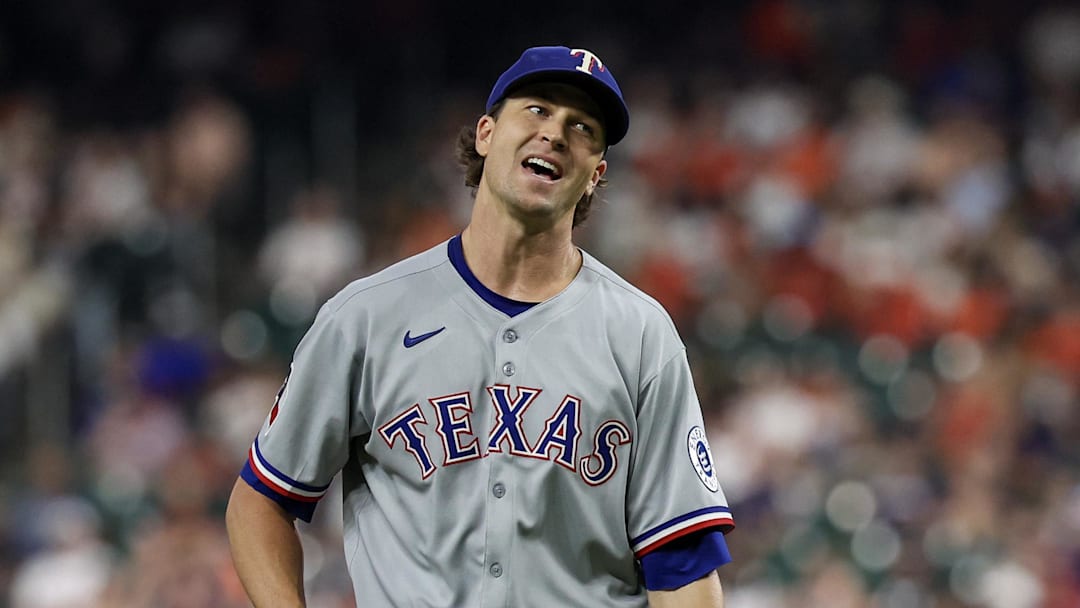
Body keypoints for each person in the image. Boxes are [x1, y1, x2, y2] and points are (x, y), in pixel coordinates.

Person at [225, 45, 735, 607]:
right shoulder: (366, 317)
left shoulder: (641, 334)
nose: (556, 133)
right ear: (487, 134)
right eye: (537, 110)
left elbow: (682, 562)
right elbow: (261, 500)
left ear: (596, 174)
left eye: (582, 127)